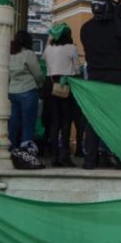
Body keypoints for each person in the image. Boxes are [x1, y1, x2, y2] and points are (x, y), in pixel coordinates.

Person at [80, 0, 121, 169]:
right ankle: (120, 159)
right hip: (116, 77)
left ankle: (90, 160)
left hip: (94, 78)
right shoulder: (117, 26)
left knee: (93, 119)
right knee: (118, 119)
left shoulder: (86, 28)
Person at [43, 23, 79, 167]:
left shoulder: (48, 49)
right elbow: (77, 69)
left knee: (54, 122)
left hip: (51, 85)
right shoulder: (72, 48)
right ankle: (65, 155)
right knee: (66, 121)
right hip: (66, 86)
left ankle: (54, 156)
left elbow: (46, 65)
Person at [8, 30, 44, 153]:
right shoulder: (28, 54)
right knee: (28, 122)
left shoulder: (9, 54)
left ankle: (11, 147)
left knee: (13, 122)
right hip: (28, 90)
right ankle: (25, 149)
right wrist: (40, 84)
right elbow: (38, 74)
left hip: (12, 91)